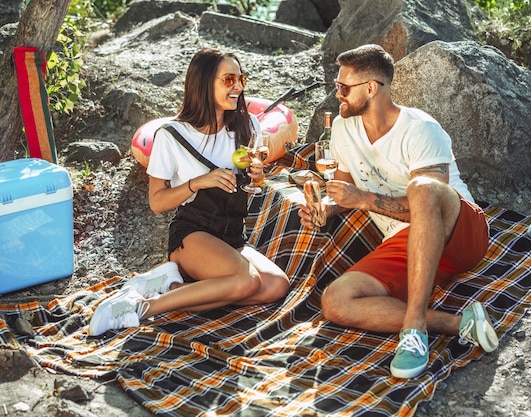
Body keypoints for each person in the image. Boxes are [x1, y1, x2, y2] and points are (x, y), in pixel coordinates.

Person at [298, 44, 499, 379]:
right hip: (405, 241)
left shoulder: (420, 129)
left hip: (460, 233)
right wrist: (326, 209)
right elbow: (345, 191)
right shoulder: (344, 129)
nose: (338, 95)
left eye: (344, 88)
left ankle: (414, 331)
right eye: (337, 87)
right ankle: (458, 323)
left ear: (371, 88)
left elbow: (429, 203)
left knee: (420, 188)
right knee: (335, 301)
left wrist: (363, 199)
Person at [89, 48, 290, 336]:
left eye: (241, 78)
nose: (239, 87)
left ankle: (174, 286)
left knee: (276, 286)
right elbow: (157, 203)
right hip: (193, 233)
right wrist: (198, 182)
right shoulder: (172, 136)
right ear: (204, 84)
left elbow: (251, 185)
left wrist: (258, 177)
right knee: (246, 282)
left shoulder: (248, 126)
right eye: (229, 79)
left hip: (231, 235)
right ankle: (141, 306)